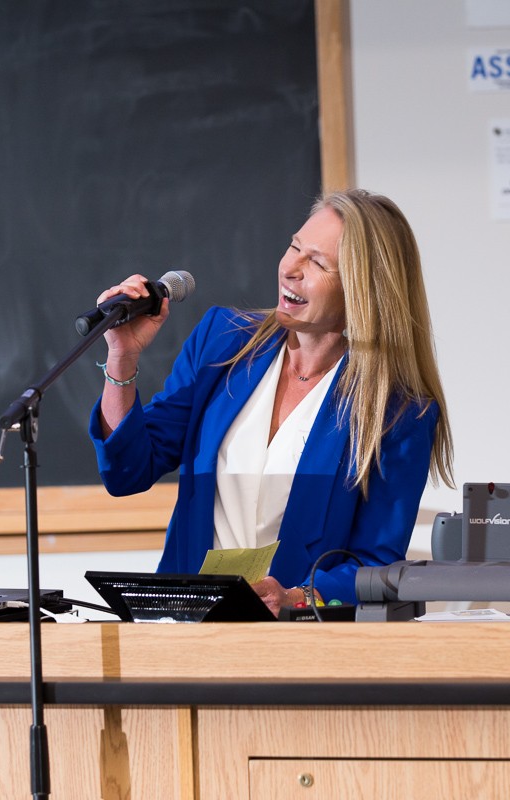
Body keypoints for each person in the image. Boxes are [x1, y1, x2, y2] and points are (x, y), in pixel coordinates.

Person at [88, 188, 453, 614]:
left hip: (297, 635)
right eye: (295, 247)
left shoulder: (399, 409)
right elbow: (127, 471)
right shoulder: (222, 340)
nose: (291, 269)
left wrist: (298, 598)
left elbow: (377, 561)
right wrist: (122, 356)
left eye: (317, 263)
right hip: (186, 622)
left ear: (363, 289)